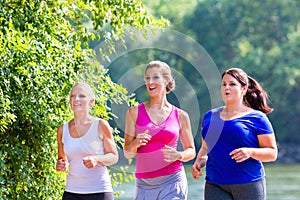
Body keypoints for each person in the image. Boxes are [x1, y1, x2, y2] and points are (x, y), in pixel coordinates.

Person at [191, 68, 278, 200]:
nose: (227, 88)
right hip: (215, 184)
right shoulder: (209, 117)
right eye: (224, 84)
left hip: (248, 183)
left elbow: (272, 153)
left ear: (243, 89)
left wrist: (250, 152)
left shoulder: (256, 118)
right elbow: (206, 148)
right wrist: (199, 162)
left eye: (232, 84)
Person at [123, 60, 196, 200]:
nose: (150, 82)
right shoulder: (134, 113)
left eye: (155, 77)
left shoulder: (180, 115)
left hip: (173, 181)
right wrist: (135, 143)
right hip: (144, 185)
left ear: (166, 79)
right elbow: (127, 153)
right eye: (147, 78)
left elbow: (191, 150)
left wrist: (179, 155)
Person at [56, 82, 118, 200]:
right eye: (73, 96)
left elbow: (114, 156)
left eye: (82, 96)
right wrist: (61, 164)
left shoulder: (100, 125)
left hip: (99, 191)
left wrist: (96, 159)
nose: (76, 99)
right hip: (72, 191)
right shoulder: (62, 130)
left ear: (91, 101)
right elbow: (62, 158)